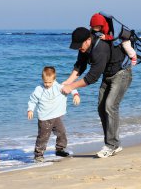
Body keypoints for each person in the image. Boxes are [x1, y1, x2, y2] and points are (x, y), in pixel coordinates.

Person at [61, 27, 132, 158]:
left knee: (110, 106)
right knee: (101, 108)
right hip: (108, 75)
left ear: (88, 40)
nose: (78, 48)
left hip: (122, 74)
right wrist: (68, 81)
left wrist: (71, 87)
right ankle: (113, 144)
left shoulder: (100, 49)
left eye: (79, 45)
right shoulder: (84, 47)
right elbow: (80, 65)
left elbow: (92, 77)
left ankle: (111, 145)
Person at [27, 66, 80, 162]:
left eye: (49, 82)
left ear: (54, 79)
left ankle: (60, 149)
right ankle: (38, 154)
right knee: (43, 137)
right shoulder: (39, 89)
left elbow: (70, 87)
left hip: (56, 117)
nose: (47, 84)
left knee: (62, 133)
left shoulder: (58, 87)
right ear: (42, 79)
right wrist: (30, 110)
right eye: (45, 82)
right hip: (44, 118)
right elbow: (32, 100)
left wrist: (75, 95)